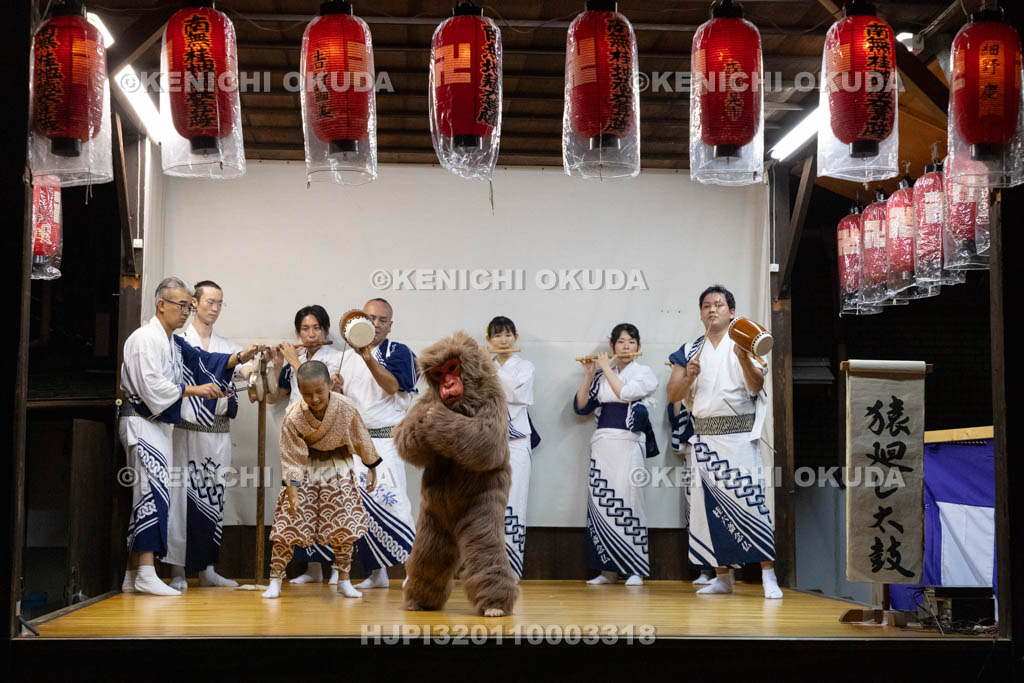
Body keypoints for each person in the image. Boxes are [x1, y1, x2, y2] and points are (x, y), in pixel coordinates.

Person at [118, 277, 261, 596]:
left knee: (151, 494)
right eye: (182, 305)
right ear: (162, 304)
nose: (186, 312)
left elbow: (203, 361)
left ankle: (133, 574)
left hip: (161, 426)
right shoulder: (144, 338)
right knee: (150, 494)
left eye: (188, 306)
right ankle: (146, 571)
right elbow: (152, 387)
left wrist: (240, 357)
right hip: (143, 421)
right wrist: (194, 390)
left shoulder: (174, 343)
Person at [665, 285, 782, 599]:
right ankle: (722, 577)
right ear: (701, 313)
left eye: (718, 304)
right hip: (704, 439)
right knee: (708, 510)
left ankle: (768, 574)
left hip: (739, 436)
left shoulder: (746, 340)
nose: (712, 309)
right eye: (706, 305)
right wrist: (688, 376)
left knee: (751, 502)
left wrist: (743, 359)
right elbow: (673, 395)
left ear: (731, 312)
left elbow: (756, 385)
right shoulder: (689, 350)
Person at [262, 361, 381, 599]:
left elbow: (361, 437)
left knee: (343, 524)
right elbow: (291, 456)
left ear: (329, 385)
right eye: (307, 394)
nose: (314, 399)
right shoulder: (294, 415)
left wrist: (371, 467)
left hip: (338, 466)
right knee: (288, 523)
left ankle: (344, 580)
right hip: (305, 468)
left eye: (319, 391)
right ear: (299, 390)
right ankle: (275, 580)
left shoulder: (345, 407)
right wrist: (292, 491)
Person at [168, 280, 246, 591]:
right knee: (180, 500)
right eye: (210, 302)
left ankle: (208, 569)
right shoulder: (179, 341)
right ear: (194, 303)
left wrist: (260, 365)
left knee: (213, 498)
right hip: (186, 432)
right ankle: (177, 570)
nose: (215, 308)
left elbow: (246, 372)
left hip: (218, 433)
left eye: (219, 303)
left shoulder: (227, 346)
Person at [335, 298, 418, 589]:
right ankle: (376, 573)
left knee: (394, 503)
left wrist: (368, 356)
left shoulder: (398, 352)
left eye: (383, 320)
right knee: (360, 508)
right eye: (371, 318)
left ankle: (415, 572)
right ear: (361, 320)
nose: (377, 324)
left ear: (390, 325)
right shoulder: (347, 357)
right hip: (356, 442)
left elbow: (393, 386)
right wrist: (336, 389)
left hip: (385, 441)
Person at [267, 305, 346, 585]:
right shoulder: (295, 359)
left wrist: (294, 361)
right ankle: (312, 569)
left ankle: (337, 569)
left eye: (316, 328)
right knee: (301, 502)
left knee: (330, 501)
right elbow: (274, 398)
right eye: (305, 329)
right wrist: (279, 364)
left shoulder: (336, 359)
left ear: (325, 331)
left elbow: (321, 393)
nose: (311, 334)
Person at [573, 323, 658, 586]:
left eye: (631, 342)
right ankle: (607, 571)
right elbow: (581, 407)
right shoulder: (601, 375)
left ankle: (635, 569)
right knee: (603, 502)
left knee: (631, 501)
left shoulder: (644, 373)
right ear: (612, 346)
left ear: (639, 346)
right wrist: (590, 374)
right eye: (621, 342)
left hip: (629, 442)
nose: (626, 346)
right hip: (603, 443)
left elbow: (626, 393)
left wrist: (606, 368)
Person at [486, 315, 536, 580]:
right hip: (488, 441)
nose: (503, 340)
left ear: (515, 337)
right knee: (488, 502)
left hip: (517, 442)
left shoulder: (525, 366)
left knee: (514, 501)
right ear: (489, 340)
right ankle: (490, 566)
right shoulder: (483, 365)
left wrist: (488, 372)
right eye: (497, 335)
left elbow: (518, 395)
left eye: (508, 335)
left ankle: (512, 567)